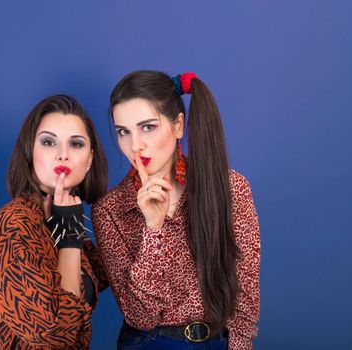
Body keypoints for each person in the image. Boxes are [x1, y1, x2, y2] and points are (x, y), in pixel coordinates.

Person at [92, 70, 260, 350]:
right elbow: (138, 315)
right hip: (149, 342)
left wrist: (239, 346)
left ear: (178, 125)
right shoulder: (110, 211)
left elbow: (245, 293)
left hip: (220, 341)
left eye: (147, 127)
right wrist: (154, 230)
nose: (135, 145)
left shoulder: (231, 188)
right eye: (123, 132)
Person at [0, 94, 109, 350]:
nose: (63, 155)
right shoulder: (13, 223)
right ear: (30, 152)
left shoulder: (61, 215)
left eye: (76, 144)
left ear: (89, 159)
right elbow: (53, 335)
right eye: (49, 142)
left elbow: (111, 271)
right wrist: (69, 238)